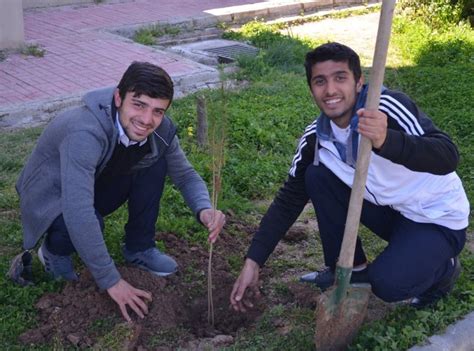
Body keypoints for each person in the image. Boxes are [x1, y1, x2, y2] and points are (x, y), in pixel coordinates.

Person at [230, 42, 469, 312]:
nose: (330, 90)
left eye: (340, 78)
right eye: (320, 81)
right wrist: (253, 261)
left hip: (435, 218)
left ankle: (444, 271)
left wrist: (387, 140)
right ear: (311, 88)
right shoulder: (317, 138)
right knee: (317, 176)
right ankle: (349, 272)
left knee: (387, 285)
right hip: (391, 213)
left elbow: (448, 156)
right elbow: (288, 201)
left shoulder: (387, 108)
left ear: (359, 82)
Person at [15, 61, 225, 322]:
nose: (147, 120)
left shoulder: (160, 131)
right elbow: (77, 209)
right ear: (118, 97)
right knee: (84, 222)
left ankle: (139, 248)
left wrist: (205, 209)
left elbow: (185, 174)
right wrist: (111, 280)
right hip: (51, 195)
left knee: (155, 160)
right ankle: (55, 252)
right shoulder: (83, 131)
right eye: (138, 105)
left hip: (95, 181)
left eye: (158, 111)